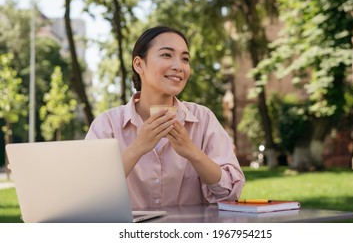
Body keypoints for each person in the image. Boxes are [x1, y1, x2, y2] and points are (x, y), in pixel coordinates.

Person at [85, 26, 245, 209]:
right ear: (139, 64)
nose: (179, 66)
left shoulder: (204, 119)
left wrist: (192, 152)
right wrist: (137, 148)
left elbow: (231, 193)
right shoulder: (107, 125)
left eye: (185, 59)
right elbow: (90, 194)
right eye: (167, 55)